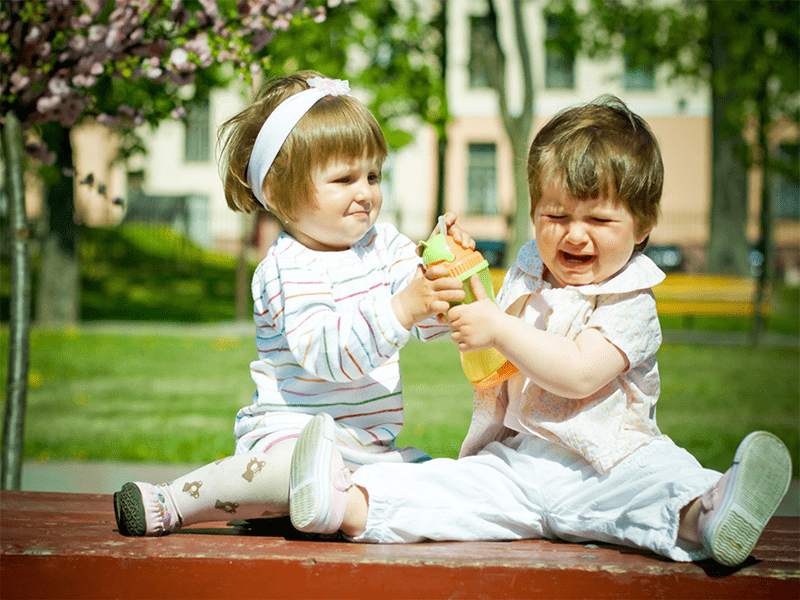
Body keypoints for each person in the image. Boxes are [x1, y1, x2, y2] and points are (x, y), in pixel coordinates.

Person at [287, 95, 793, 567]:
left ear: (642, 228)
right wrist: (457, 267)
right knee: (443, 488)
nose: (574, 233)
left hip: (610, 464)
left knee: (660, 485)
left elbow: (577, 373)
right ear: (533, 213)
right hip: (517, 462)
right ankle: (344, 503)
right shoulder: (531, 270)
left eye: (598, 219)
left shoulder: (630, 300)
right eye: (555, 215)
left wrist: (500, 329)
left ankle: (712, 511)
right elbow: (482, 327)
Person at [113, 71, 472, 536]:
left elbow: (429, 322)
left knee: (442, 478)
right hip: (291, 436)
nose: (365, 192)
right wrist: (404, 307)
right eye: (343, 178)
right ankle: (177, 500)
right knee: (274, 471)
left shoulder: (386, 245)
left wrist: (444, 277)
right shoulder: (287, 267)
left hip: (367, 447)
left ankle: (322, 505)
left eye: (372, 175)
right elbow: (326, 354)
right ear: (281, 192)